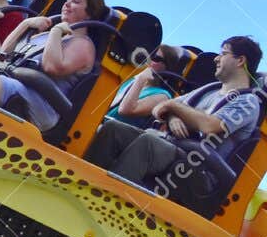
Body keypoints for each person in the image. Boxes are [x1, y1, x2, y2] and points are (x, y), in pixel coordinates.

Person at [85, 36, 263, 216]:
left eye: (223, 53)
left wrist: (173, 107)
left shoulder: (247, 102)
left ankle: (106, 206)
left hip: (198, 168)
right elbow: (159, 108)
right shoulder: (210, 89)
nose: (216, 58)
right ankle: (85, 184)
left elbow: (210, 126)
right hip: (172, 146)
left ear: (240, 60)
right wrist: (171, 117)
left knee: (148, 142)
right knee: (114, 130)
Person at [0, 0, 107, 133]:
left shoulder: (83, 44)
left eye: (75, 2)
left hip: (42, 104)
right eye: (67, 0)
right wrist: (25, 25)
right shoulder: (42, 36)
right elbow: (1, 55)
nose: (67, 4)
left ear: (90, 13)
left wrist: (56, 32)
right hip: (13, 82)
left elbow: (52, 67)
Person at [104, 44, 180, 125]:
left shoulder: (162, 96)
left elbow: (124, 110)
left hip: (113, 132)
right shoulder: (133, 79)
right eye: (149, 55)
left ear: (167, 66)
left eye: (155, 58)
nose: (149, 60)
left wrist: (141, 79)